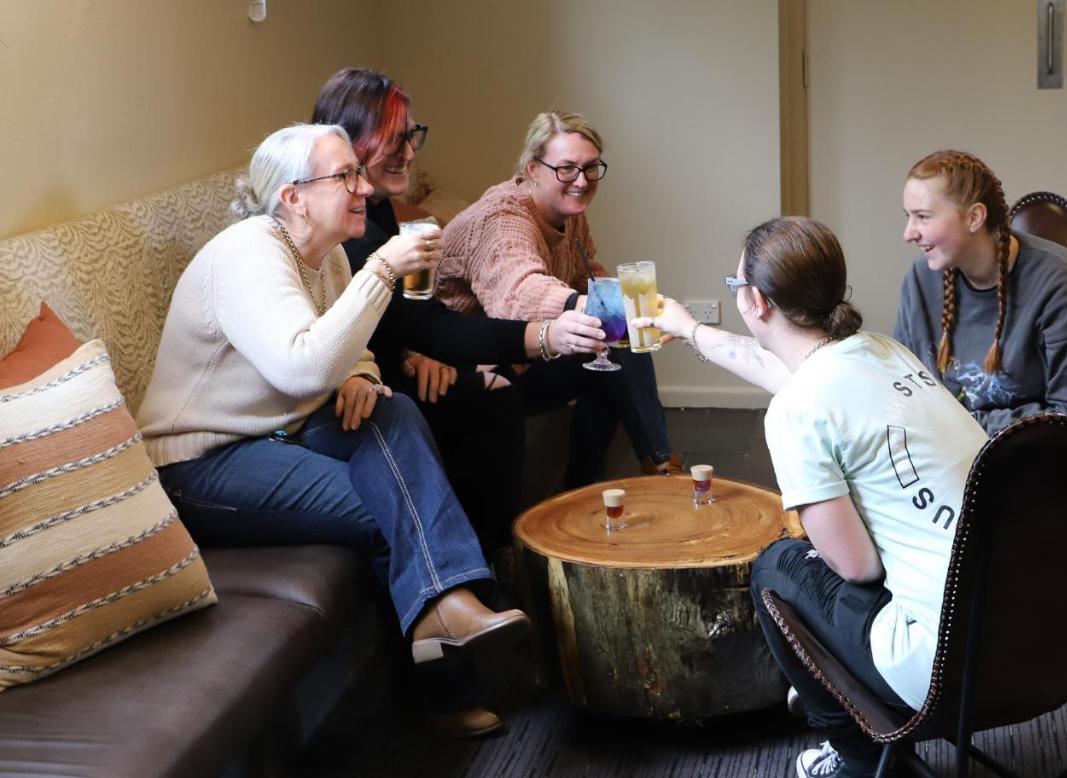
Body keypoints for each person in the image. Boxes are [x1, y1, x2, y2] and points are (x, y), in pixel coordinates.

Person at [135, 123, 532, 738]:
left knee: (392, 409)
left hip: (284, 432)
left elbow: (352, 354)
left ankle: (447, 617)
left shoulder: (328, 257)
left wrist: (365, 380)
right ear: (293, 196)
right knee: (393, 510)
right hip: (203, 461)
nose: (364, 187)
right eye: (346, 175)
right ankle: (443, 678)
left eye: (359, 173)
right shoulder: (249, 253)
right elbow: (304, 366)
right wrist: (381, 270)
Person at [635, 217, 987, 778]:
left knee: (779, 565)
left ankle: (861, 765)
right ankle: (835, 685)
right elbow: (785, 369)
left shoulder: (799, 411)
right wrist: (689, 329)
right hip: (1020, 640)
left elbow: (855, 566)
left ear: (756, 301)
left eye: (735, 284)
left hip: (944, 671)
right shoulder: (883, 351)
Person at [310, 68, 606, 557]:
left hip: (392, 362)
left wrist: (412, 351)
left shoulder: (377, 209)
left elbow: (402, 317)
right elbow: (418, 320)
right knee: (492, 397)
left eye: (411, 136)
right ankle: (496, 560)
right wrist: (544, 335)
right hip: (355, 388)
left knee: (507, 388)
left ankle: (536, 531)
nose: (409, 151)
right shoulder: (361, 230)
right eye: (394, 139)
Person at [436, 110, 681, 486]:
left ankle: (588, 490)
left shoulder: (568, 210)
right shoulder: (502, 218)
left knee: (611, 354)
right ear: (533, 168)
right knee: (611, 340)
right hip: (460, 369)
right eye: (566, 169)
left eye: (591, 168)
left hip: (521, 354)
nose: (581, 181)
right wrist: (606, 313)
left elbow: (586, 274)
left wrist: (633, 307)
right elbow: (519, 294)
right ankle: (660, 469)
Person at [895, 149, 1067, 436]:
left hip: (1029, 455)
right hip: (942, 450)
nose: (909, 233)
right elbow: (902, 391)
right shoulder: (920, 280)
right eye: (909, 217)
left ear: (974, 217)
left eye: (923, 217)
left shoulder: (1061, 284)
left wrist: (965, 424)